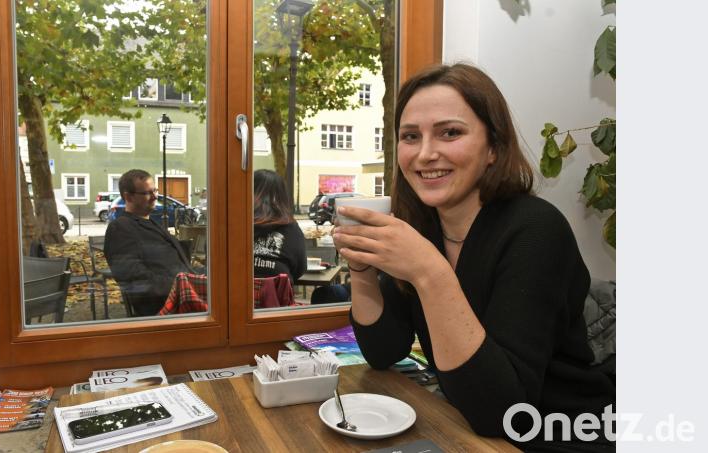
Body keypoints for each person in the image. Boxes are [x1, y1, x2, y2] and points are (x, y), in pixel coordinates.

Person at [332, 64, 615, 452]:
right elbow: (384, 351)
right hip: (463, 423)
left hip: (559, 435)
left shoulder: (536, 229)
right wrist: (361, 265)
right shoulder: (424, 227)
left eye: (450, 133)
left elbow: (503, 414)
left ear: (493, 148)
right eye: (411, 136)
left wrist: (429, 272)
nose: (426, 154)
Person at [104, 169, 195, 316]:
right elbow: (135, 278)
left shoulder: (151, 222)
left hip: (186, 296)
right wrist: (182, 286)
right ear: (128, 197)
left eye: (155, 191)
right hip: (166, 308)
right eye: (147, 193)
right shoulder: (120, 228)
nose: (155, 197)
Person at [253, 169, 306, 283]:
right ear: (282, 197)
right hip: (277, 292)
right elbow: (300, 268)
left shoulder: (234, 224)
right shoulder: (290, 227)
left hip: (232, 292)